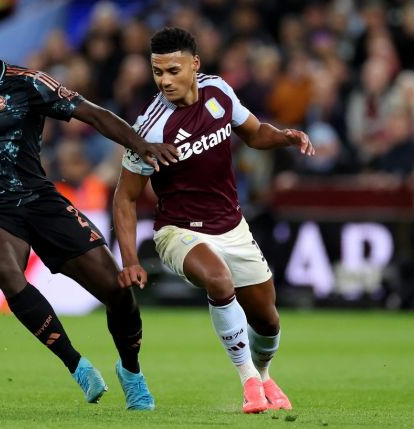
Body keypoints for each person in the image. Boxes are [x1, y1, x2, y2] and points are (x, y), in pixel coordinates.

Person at [0, 20, 179, 410]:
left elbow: (95, 115)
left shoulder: (30, 83)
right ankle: (77, 366)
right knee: (8, 275)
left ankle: (131, 372)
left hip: (39, 199)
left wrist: (141, 144)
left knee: (118, 294)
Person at [113, 27, 314, 414]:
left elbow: (254, 134)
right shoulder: (150, 128)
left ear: (194, 65)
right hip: (178, 231)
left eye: (173, 70)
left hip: (233, 226)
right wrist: (130, 261)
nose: (165, 81)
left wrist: (286, 138)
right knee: (219, 280)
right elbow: (125, 198)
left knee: (268, 321)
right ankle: (249, 383)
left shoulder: (219, 91)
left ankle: (266, 375)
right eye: (157, 73)